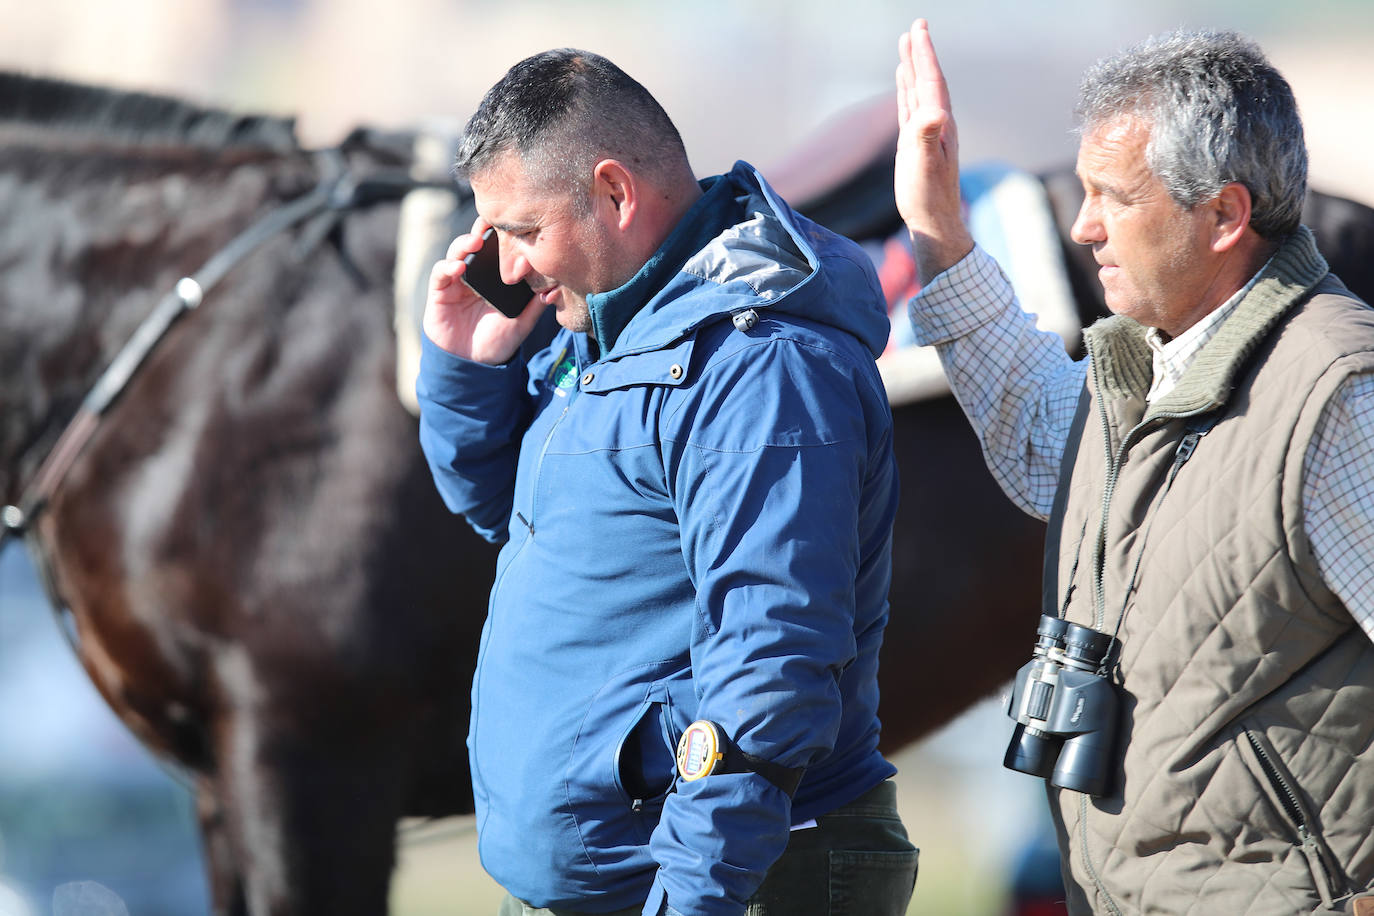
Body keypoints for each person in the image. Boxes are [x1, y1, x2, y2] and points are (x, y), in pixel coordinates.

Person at [416, 48, 917, 916]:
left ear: (615, 193)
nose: (509, 267)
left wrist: (690, 901)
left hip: (718, 885)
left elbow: (772, 671)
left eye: (523, 231)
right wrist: (468, 370)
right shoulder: (613, 331)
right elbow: (513, 515)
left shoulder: (761, 370)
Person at [894, 19, 1374, 916]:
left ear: (1225, 216)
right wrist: (940, 237)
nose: (1083, 227)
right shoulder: (1152, 374)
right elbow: (1044, 430)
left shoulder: (1339, 394)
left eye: (1113, 197)